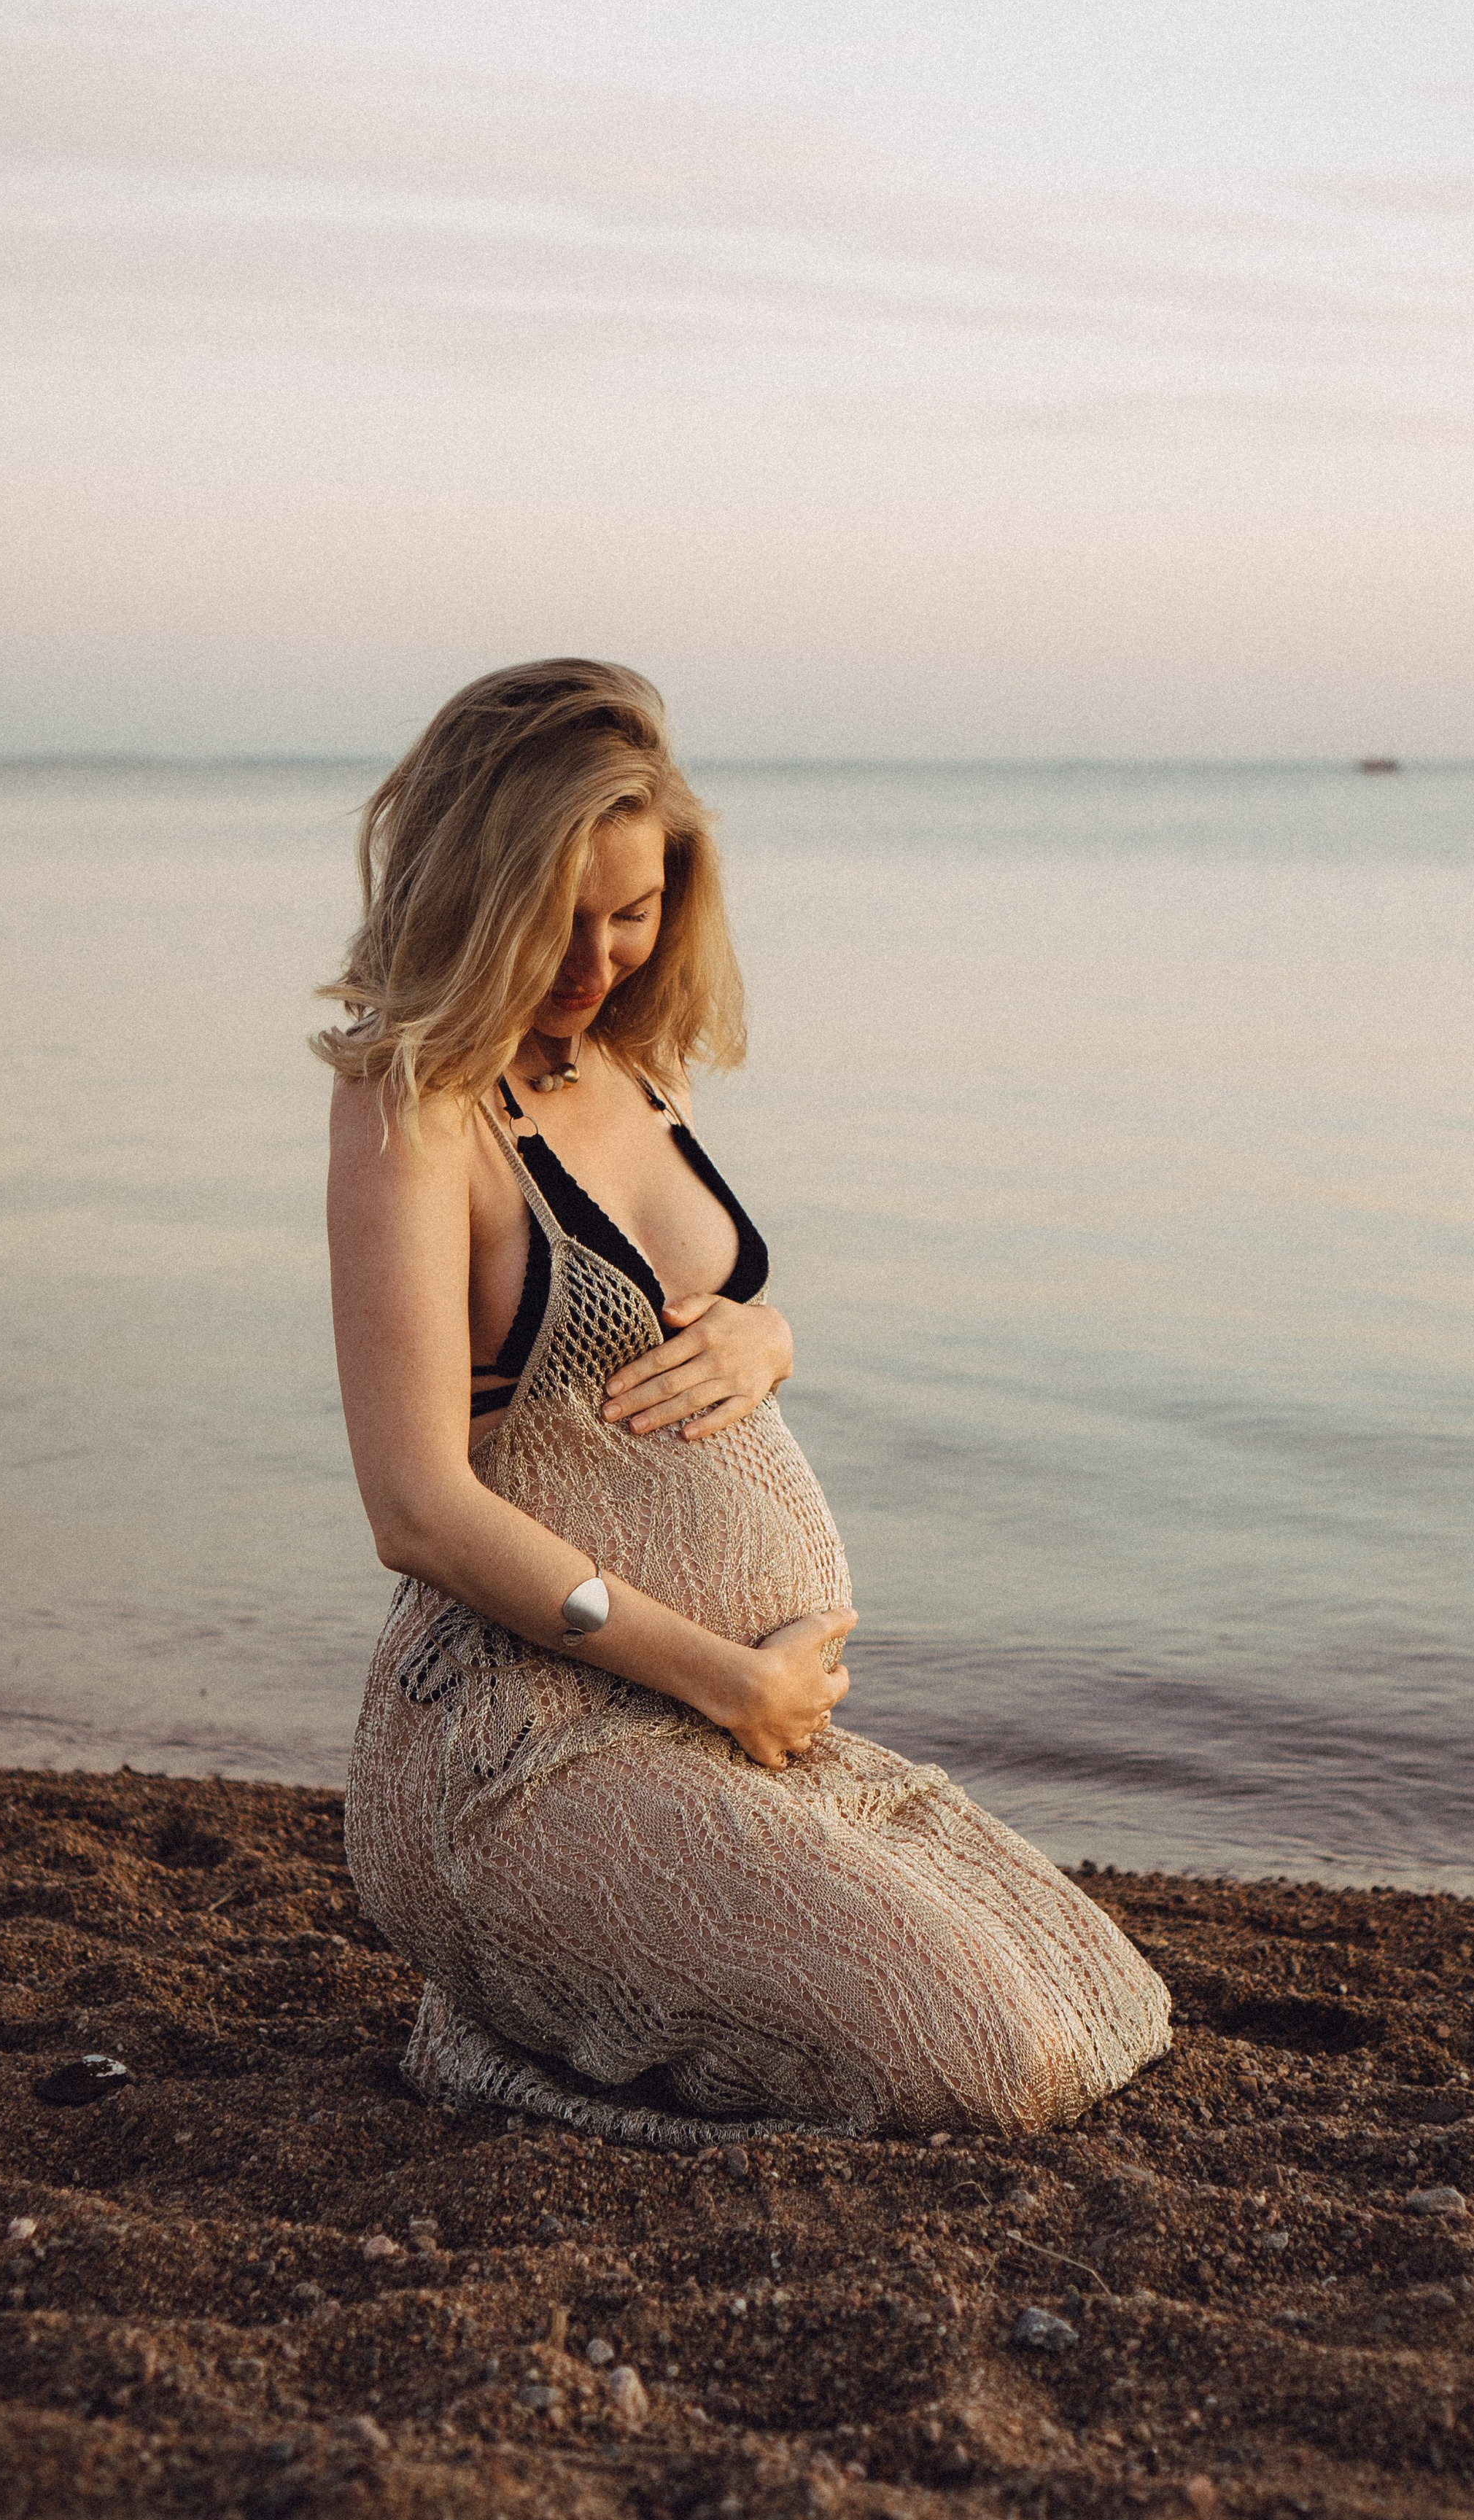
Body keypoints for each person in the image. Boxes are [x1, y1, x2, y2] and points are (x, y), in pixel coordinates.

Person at [319, 658, 1170, 2144]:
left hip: (720, 1734)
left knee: (1100, 2003)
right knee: (972, 2069)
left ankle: (564, 1993)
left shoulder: (637, 1068)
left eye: (632, 911)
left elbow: (673, 1313)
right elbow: (417, 1507)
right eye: (557, 920)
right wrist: (725, 1676)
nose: (596, 960)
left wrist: (768, 1337)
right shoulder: (415, 1109)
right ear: (472, 889)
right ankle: (490, 2047)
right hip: (527, 1747)